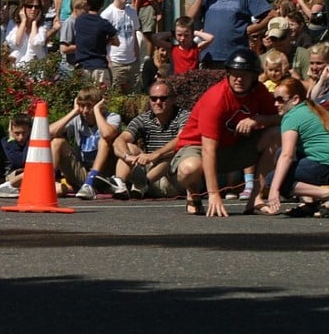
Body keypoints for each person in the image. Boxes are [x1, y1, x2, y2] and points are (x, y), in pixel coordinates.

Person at [170, 48, 281, 217]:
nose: (239, 79)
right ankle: (193, 193)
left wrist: (257, 120)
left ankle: (256, 198)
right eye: (234, 74)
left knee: (276, 134)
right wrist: (214, 194)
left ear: (254, 76)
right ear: (228, 73)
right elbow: (208, 149)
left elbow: (279, 119)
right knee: (188, 169)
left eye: (244, 75)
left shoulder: (259, 91)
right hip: (198, 147)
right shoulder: (215, 99)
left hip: (232, 146)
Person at [257, 77, 329, 216]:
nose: (276, 104)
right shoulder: (311, 108)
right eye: (274, 99)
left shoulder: (292, 117)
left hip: (323, 164)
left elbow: (287, 155)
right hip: (323, 162)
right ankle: (312, 204)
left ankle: (325, 194)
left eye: (281, 100)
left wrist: (274, 189)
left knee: (273, 179)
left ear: (295, 99)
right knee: (279, 153)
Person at [113, 79, 188, 199]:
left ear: (173, 99)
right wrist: (128, 157)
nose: (158, 102)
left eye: (163, 98)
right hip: (151, 170)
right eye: (154, 98)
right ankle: (120, 184)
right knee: (129, 147)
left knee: (173, 155)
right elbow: (119, 141)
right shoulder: (144, 118)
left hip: (172, 178)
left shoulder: (183, 116)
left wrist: (156, 154)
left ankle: (143, 184)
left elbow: (182, 139)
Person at [50, 87, 124, 200]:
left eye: (89, 106)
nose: (85, 111)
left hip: (105, 175)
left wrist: (97, 111)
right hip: (84, 172)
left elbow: (107, 134)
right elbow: (49, 133)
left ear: (99, 105)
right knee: (57, 142)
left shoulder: (112, 117)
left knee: (104, 141)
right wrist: (74, 111)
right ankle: (47, 181)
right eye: (82, 105)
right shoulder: (77, 118)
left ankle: (90, 183)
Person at [101, 0, 141, 93]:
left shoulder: (132, 11)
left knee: (136, 94)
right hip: (116, 62)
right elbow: (102, 40)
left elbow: (134, 36)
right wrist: (109, 62)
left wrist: (137, 58)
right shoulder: (107, 14)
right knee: (117, 95)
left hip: (132, 61)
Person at [73, 0, 119, 86]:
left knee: (84, 95)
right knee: (101, 94)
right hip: (99, 65)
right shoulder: (104, 23)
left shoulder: (79, 20)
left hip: (82, 65)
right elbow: (117, 42)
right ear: (102, 5)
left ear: (87, 3)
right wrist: (106, 41)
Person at [0, 113, 32, 198]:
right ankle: (5, 187)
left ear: (30, 131)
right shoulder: (7, 142)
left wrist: (29, 141)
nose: (21, 137)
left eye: (24, 133)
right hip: (14, 174)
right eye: (17, 133)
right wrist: (12, 140)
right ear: (11, 131)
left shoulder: (31, 141)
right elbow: (18, 162)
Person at [5, 0, 49, 67]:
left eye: (36, 7)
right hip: (17, 66)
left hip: (35, 66)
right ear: (23, 7)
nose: (33, 9)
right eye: (29, 6)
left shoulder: (42, 26)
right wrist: (23, 21)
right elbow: (16, 43)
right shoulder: (13, 24)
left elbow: (36, 42)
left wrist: (34, 23)